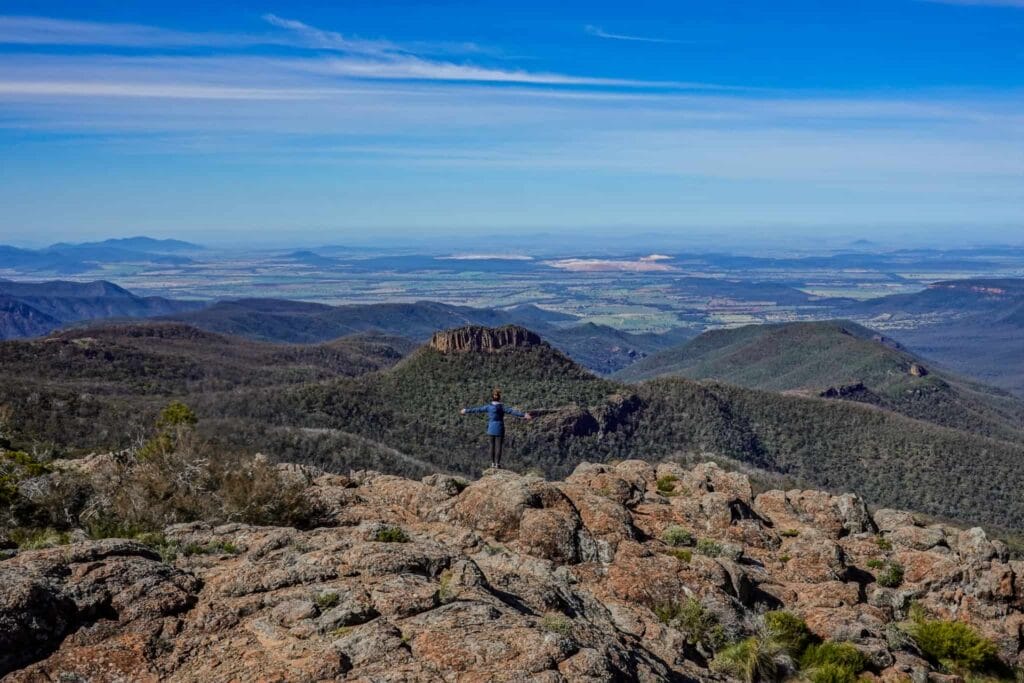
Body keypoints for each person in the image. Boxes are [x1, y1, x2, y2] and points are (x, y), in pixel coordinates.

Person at [460, 389, 532, 469]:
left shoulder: (488, 407)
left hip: (491, 428)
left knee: (491, 446)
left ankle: (492, 463)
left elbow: (477, 409)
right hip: (499, 428)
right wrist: (524, 415)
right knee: (498, 447)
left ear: (492, 397)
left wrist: (465, 410)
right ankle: (497, 464)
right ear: (499, 398)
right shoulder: (502, 407)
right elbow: (512, 412)